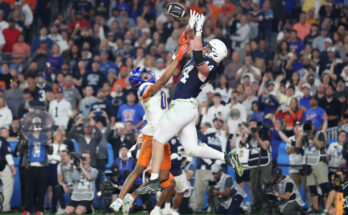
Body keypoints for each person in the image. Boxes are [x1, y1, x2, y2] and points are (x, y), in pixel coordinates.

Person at [137, 11, 243, 195]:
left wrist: (200, 30)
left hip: (183, 106)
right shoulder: (199, 56)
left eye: (209, 47)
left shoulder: (211, 65)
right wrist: (190, 27)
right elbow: (186, 44)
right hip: (184, 107)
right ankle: (226, 156)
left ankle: (153, 180)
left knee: (158, 139)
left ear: (214, 53)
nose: (205, 47)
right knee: (192, 149)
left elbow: (199, 55)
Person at [109, 34, 190, 213]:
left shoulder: (152, 83)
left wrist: (180, 51)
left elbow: (171, 74)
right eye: (144, 74)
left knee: (162, 178)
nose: (148, 73)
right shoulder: (143, 89)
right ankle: (119, 199)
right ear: (140, 80)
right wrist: (176, 58)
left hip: (164, 133)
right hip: (153, 133)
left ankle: (132, 197)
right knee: (139, 169)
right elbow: (163, 80)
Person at [296, 120, 329, 213]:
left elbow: (319, 145)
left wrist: (311, 135)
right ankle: (315, 209)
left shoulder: (320, 133)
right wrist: (302, 134)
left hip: (320, 162)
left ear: (313, 126)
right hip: (309, 164)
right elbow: (297, 145)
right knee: (312, 188)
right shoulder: (304, 136)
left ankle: (326, 209)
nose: (309, 128)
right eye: (307, 127)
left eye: (310, 126)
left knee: (324, 187)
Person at [0, 126, 16, 212]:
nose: (8, 133)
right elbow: (8, 156)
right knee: (7, 186)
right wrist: (13, 168)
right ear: (2, 132)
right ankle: (5, 208)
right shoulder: (4, 141)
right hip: (2, 166)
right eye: (7, 131)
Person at [55, 150, 73, 215]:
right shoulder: (59, 165)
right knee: (57, 187)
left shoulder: (73, 164)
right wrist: (64, 186)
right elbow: (59, 180)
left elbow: (77, 178)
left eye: (64, 155)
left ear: (68, 156)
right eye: (61, 156)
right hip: (66, 185)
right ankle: (62, 207)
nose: (63, 157)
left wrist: (71, 186)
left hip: (75, 185)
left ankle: (73, 206)